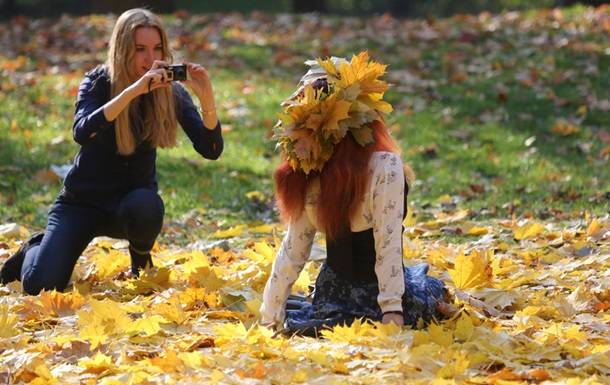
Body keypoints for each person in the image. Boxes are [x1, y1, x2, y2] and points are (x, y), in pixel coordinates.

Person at [0, 8, 223, 294]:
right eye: (139, 49)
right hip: (81, 204)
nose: (150, 59)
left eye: (157, 48)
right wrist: (132, 91)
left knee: (147, 205)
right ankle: (35, 246)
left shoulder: (170, 92)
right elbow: (82, 131)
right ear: (122, 50)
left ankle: (140, 261)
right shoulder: (97, 82)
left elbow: (211, 149)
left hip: (129, 207)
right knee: (40, 285)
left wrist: (207, 97)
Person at [260, 52, 452, 335]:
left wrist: (392, 310)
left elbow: (387, 240)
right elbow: (293, 249)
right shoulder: (309, 175)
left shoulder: (383, 168)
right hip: (333, 298)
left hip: (381, 297)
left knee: (428, 298)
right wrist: (269, 314)